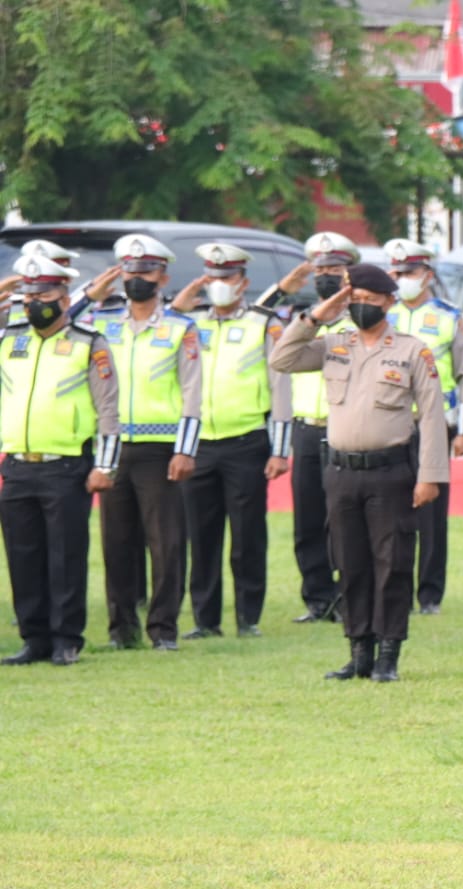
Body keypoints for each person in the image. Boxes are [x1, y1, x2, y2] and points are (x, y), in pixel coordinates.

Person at [268, 264, 449, 683]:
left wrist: (430, 476)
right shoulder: (334, 344)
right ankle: (358, 651)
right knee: (349, 562)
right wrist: (319, 313)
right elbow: (283, 359)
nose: (362, 307)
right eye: (356, 301)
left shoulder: (411, 350)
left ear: (389, 302)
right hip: (342, 472)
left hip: (391, 472)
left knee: (393, 563)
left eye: (371, 300)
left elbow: (434, 416)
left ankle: (388, 653)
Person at [0, 254, 121, 666]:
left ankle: (66, 638)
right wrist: (6, 288)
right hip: (17, 463)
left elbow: (108, 409)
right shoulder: (10, 337)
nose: (35, 302)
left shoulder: (89, 343)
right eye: (28, 294)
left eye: (44, 293)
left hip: (65, 464)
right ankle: (33, 638)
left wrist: (105, 464)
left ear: (65, 299)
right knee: (22, 554)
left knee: (65, 554)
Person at [84, 235, 202, 652]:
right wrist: (87, 295)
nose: (137, 278)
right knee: (116, 541)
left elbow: (192, 393)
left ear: (162, 277)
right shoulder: (102, 323)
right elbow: (60, 322)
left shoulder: (180, 329)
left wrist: (185, 449)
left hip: (160, 447)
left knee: (165, 542)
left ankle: (163, 629)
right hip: (113, 448)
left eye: (145, 271)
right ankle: (121, 629)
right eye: (130, 271)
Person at [171, 243, 292, 639]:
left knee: (246, 535)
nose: (220, 285)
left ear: (243, 283)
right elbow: (155, 332)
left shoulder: (264, 324)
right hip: (200, 443)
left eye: (227, 278)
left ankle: (248, 617)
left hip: (246, 441)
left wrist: (280, 448)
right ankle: (206, 620)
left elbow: (280, 388)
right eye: (213, 278)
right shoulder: (190, 324)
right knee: (201, 537)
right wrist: (180, 303)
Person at [383, 238, 463, 615]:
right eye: (396, 273)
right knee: (390, 510)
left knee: (431, 515)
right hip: (388, 423)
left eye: (408, 272)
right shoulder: (382, 313)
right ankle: (395, 588)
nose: (401, 279)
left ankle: (429, 595)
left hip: (434, 424)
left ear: (426, 275)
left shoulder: (447, 316)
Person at [274, 232, 361, 624]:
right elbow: (259, 322)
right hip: (307, 429)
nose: (326, 275)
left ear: (349, 273)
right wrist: (280, 291)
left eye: (334, 268)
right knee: (307, 520)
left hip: (344, 428)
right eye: (320, 269)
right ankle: (317, 598)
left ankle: (348, 597)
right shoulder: (303, 320)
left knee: (344, 520)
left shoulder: (361, 319)